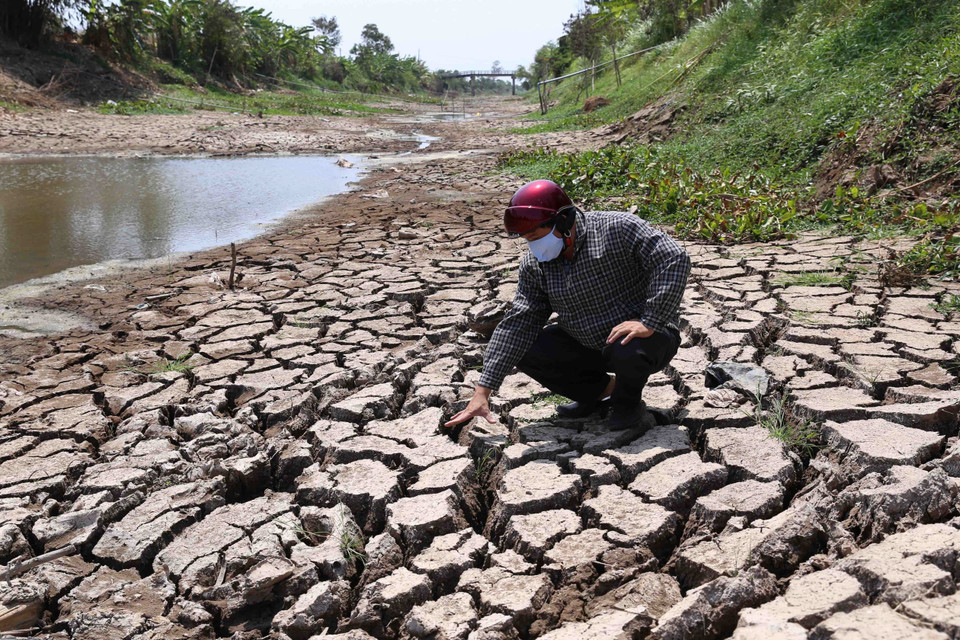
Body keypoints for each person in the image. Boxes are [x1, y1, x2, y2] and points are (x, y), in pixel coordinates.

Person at [445, 179, 690, 431]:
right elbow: (518, 323)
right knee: (528, 346)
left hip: (646, 338)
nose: (532, 245)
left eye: (535, 236)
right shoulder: (535, 265)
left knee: (627, 347)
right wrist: (484, 390)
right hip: (587, 340)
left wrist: (649, 320)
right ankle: (599, 395)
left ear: (563, 221)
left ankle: (628, 406)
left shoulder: (618, 228)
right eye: (526, 238)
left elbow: (673, 257)